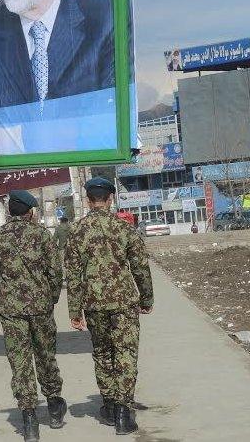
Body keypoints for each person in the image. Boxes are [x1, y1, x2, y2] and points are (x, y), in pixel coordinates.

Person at [65, 177, 153, 435]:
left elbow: (73, 275)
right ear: (111, 198)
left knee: (103, 354)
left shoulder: (77, 231)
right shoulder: (125, 229)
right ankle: (124, 414)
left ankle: (110, 405)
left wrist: (74, 311)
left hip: (93, 304)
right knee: (125, 354)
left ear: (88, 199)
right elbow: (140, 267)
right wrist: (146, 299)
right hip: (124, 302)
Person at [0, 190, 66, 441]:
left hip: (11, 309)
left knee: (19, 362)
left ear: (10, 212)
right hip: (40, 307)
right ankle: (53, 407)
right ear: (30, 212)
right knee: (45, 355)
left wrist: (3, 282)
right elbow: (55, 270)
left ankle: (29, 420)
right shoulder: (42, 235)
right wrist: (51, 297)